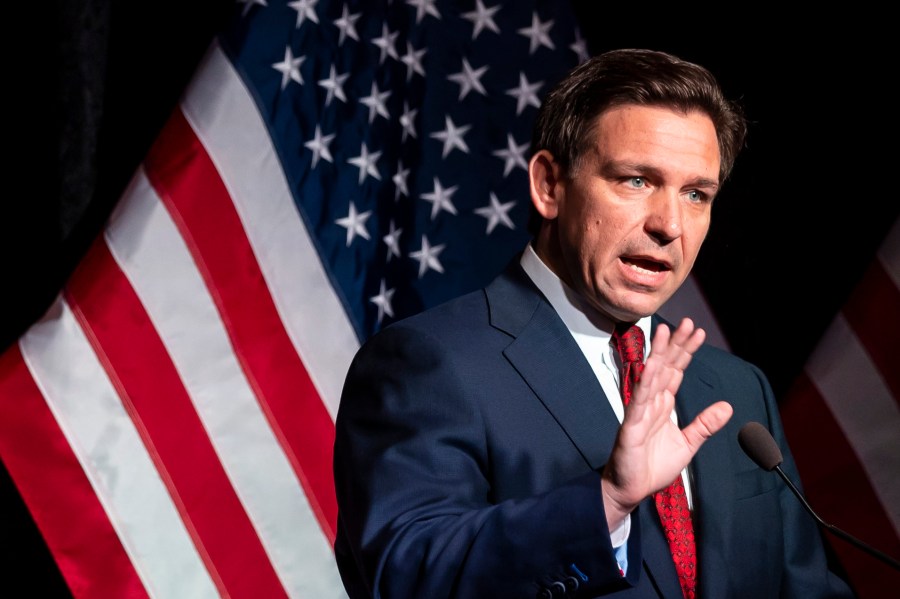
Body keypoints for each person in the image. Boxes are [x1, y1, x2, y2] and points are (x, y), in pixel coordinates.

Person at [332, 48, 854, 598]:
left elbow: (805, 586)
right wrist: (607, 500)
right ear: (550, 186)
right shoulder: (429, 364)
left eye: (696, 194)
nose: (669, 224)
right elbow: (407, 579)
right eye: (636, 180)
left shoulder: (735, 390)